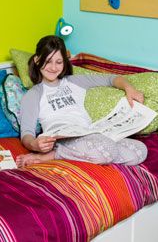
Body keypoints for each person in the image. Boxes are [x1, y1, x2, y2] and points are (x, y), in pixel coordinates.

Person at [16, 35, 148, 167]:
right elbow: (26, 134)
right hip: (62, 139)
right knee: (106, 149)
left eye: (59, 62)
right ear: (37, 60)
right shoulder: (34, 94)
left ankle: (87, 154)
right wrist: (35, 145)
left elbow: (111, 79)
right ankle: (52, 155)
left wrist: (130, 89)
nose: (53, 67)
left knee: (140, 151)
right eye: (48, 61)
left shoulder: (74, 81)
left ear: (64, 62)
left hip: (90, 133)